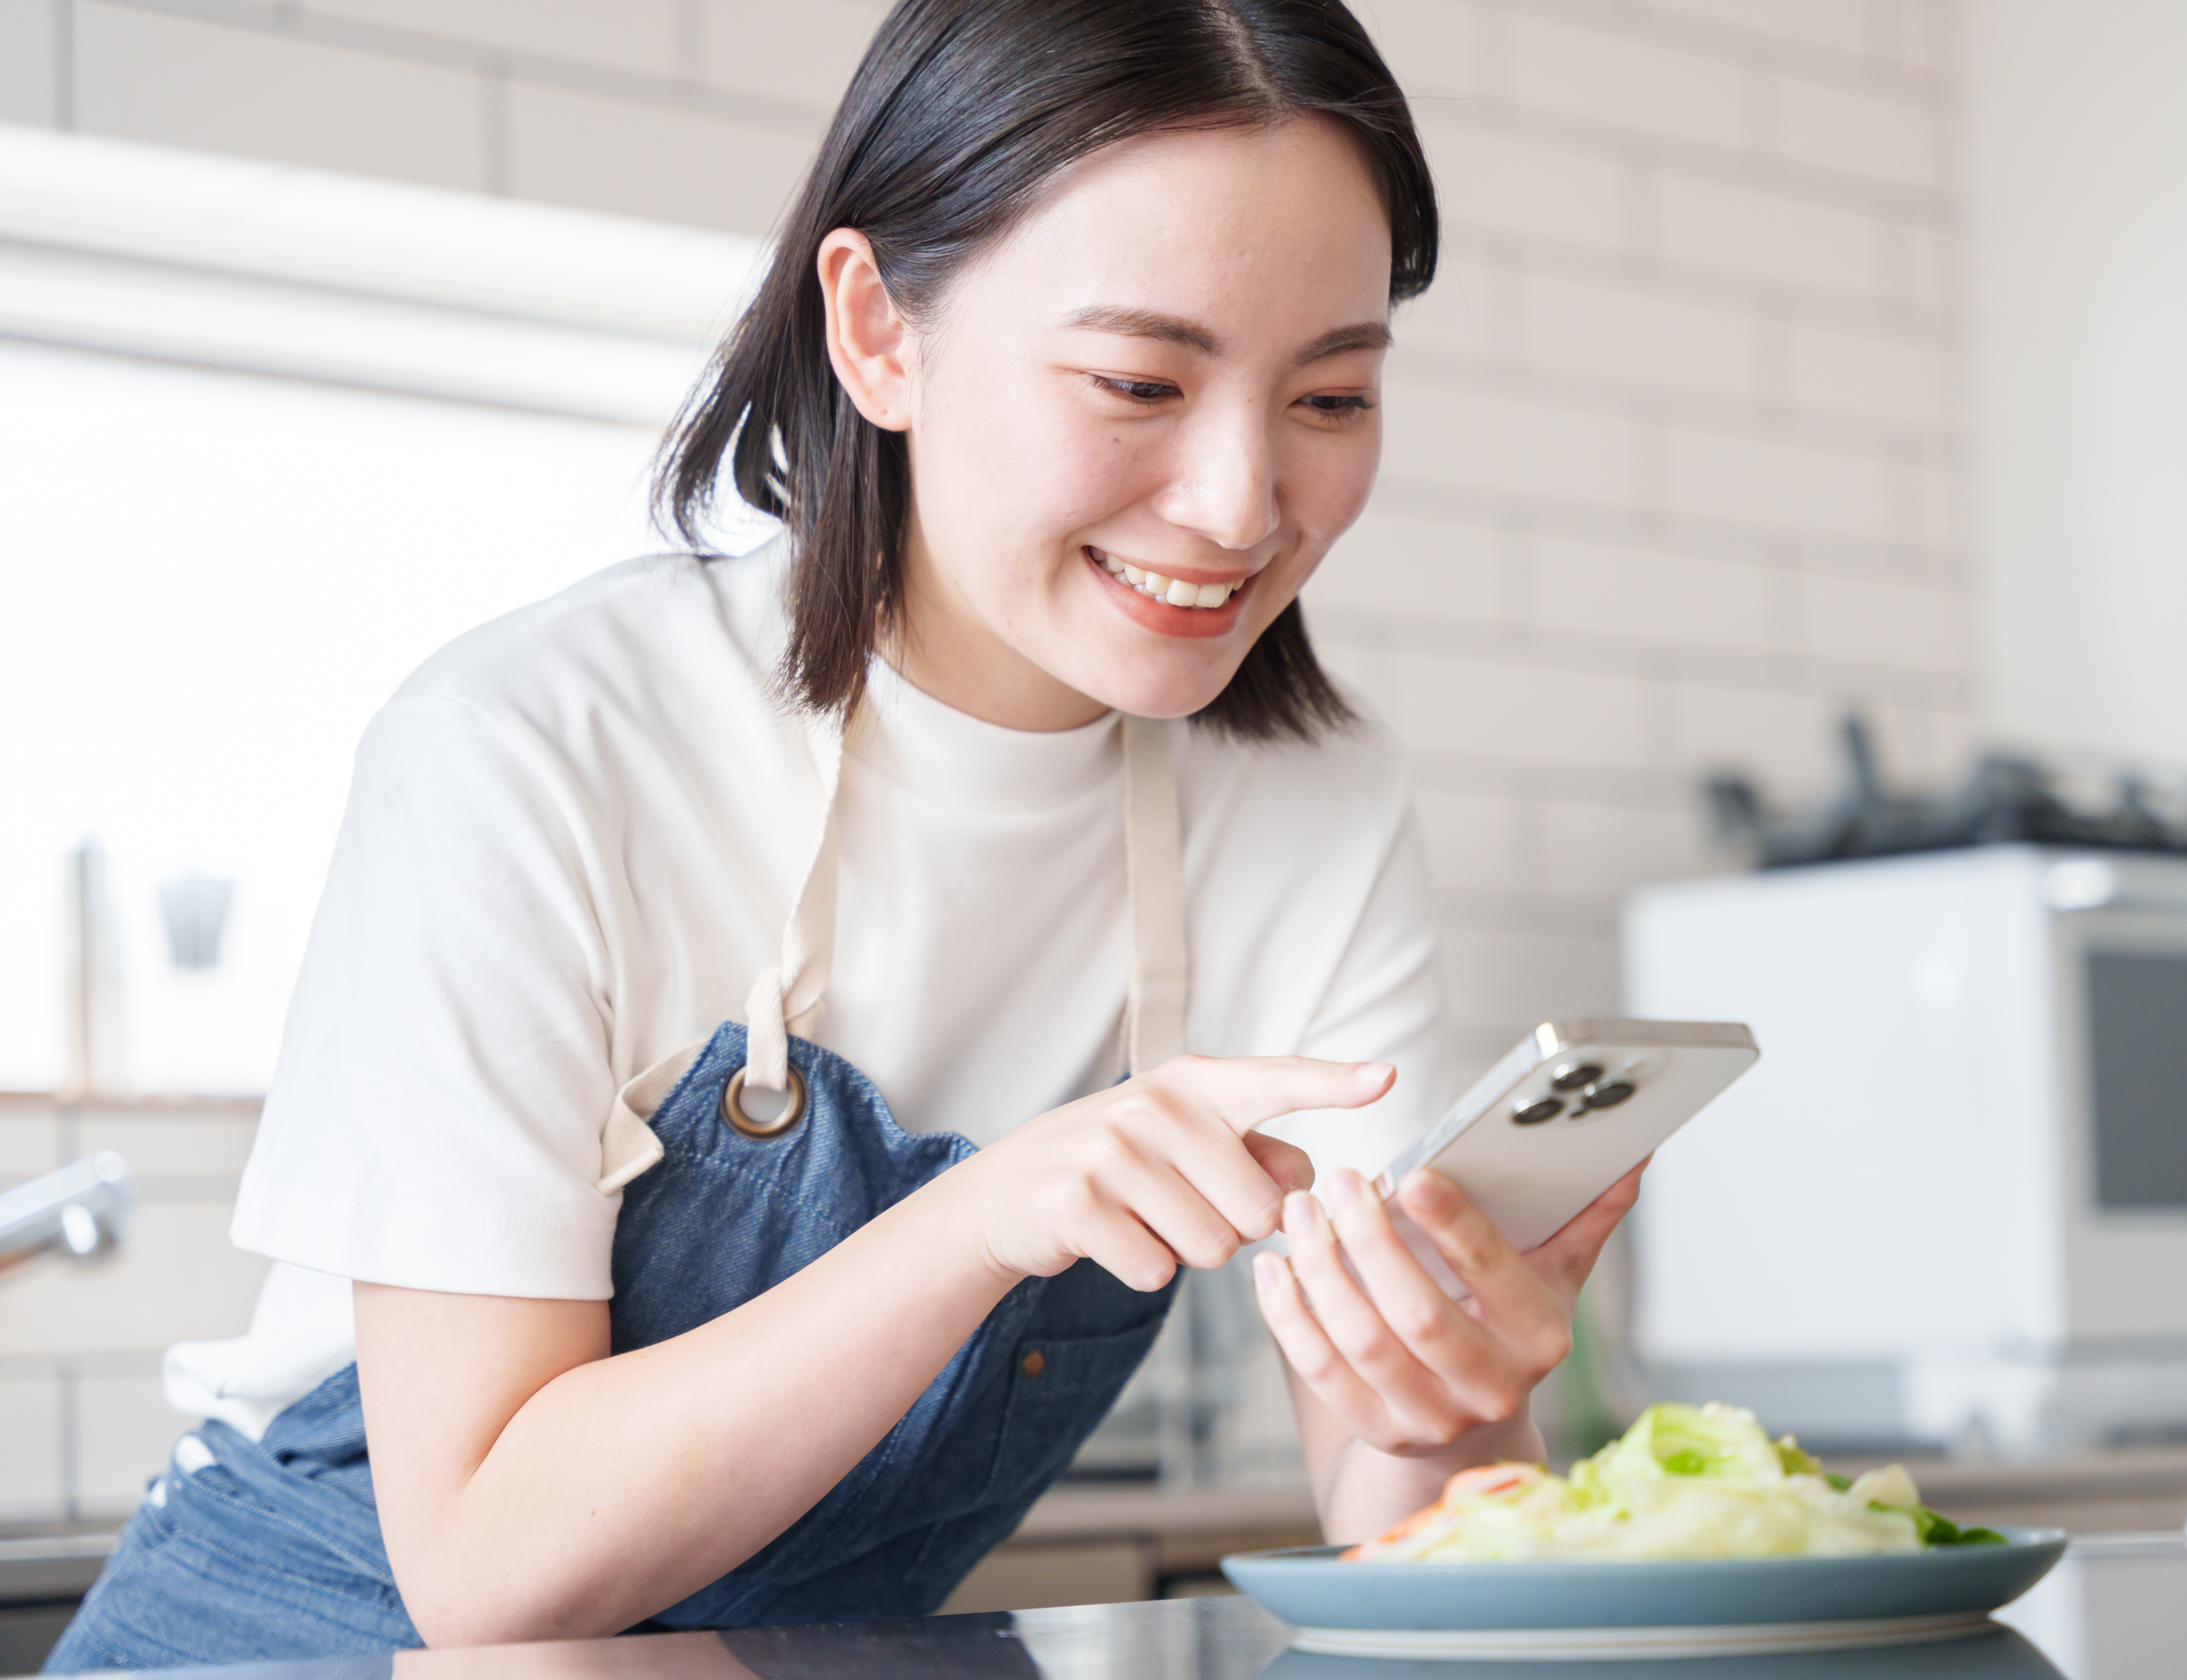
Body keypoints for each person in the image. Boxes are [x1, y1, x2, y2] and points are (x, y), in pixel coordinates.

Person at [46, 0, 1644, 1665]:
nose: (1243, 503)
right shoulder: (532, 748)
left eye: (1328, 399)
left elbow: (1398, 1522)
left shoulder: (1315, 802)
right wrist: (978, 1222)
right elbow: (487, 1570)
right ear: (879, 329)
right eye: (1139, 381)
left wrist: (1451, 1387)